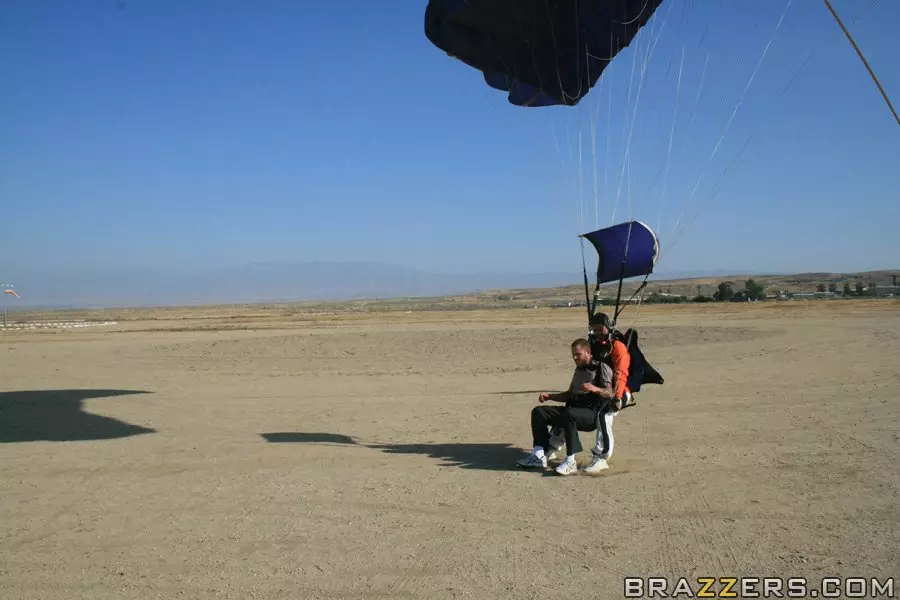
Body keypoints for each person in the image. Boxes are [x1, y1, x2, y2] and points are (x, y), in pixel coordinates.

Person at [517, 338, 616, 475]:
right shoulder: (579, 369)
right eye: (573, 355)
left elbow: (610, 393)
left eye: (578, 354)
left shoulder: (601, 368)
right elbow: (569, 395)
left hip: (591, 414)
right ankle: (539, 456)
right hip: (573, 409)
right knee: (539, 412)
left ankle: (570, 461)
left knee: (569, 414)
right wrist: (550, 396)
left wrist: (594, 388)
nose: (575, 358)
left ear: (588, 352)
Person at [582, 312, 632, 473]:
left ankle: (601, 457)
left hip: (619, 392)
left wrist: (617, 397)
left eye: (600, 329)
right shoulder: (593, 345)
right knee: (571, 407)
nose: (597, 333)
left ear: (608, 328)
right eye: (594, 329)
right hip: (597, 390)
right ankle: (550, 448)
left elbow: (621, 374)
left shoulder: (617, 347)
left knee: (604, 415)